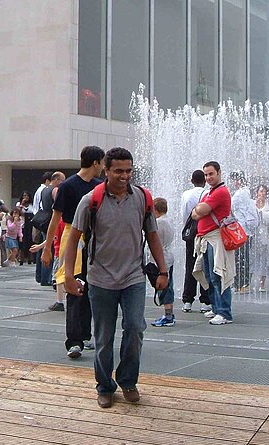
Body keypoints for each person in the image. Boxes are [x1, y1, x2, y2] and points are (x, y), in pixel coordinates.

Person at [64, 147, 168, 408]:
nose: (124, 176)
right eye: (118, 171)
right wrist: (68, 275)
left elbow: (153, 236)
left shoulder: (142, 198)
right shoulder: (91, 200)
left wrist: (163, 270)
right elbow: (73, 238)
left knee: (135, 328)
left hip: (133, 276)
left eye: (128, 171)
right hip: (100, 279)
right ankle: (105, 386)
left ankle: (128, 380)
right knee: (104, 337)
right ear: (106, 170)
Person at [37, 146, 104, 351]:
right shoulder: (68, 186)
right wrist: (47, 247)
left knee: (92, 287)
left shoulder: (100, 186)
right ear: (95, 163)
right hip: (72, 237)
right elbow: (55, 218)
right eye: (102, 163)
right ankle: (74, 340)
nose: (103, 167)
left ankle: (85, 335)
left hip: (94, 239)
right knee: (74, 286)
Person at [191, 161, 235, 325]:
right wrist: (199, 210)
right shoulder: (210, 192)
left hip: (216, 238)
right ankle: (217, 308)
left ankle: (224, 312)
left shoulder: (220, 192)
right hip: (207, 238)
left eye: (211, 174)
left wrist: (199, 209)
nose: (208, 177)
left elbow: (198, 212)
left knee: (218, 275)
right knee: (210, 275)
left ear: (219, 173)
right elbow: (196, 213)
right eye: (206, 174)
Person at [179, 170, 210, 313]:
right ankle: (205, 300)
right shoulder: (207, 193)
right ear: (204, 180)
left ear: (192, 181)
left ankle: (187, 300)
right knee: (204, 265)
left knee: (190, 264)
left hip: (191, 233)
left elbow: (184, 215)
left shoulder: (186, 194)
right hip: (204, 232)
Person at [229, 171, 259, 294]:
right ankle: (241, 283)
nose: (234, 183)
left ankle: (242, 283)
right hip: (244, 229)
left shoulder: (241, 193)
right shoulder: (245, 192)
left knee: (241, 257)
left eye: (235, 180)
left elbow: (230, 206)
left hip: (241, 230)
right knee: (242, 256)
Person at [150, 197, 176, 327]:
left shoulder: (159, 223)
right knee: (168, 285)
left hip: (162, 259)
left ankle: (168, 315)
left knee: (164, 287)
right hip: (168, 256)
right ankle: (169, 314)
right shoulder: (169, 220)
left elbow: (155, 241)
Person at [251, 184, 269, 292]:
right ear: (256, 193)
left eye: (264, 191)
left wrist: (261, 213)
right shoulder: (252, 204)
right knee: (252, 258)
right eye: (260, 191)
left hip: (265, 235)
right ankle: (249, 282)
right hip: (253, 234)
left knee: (264, 260)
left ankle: (262, 283)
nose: (262, 193)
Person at [33, 171, 52, 283]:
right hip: (44, 221)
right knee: (46, 248)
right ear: (48, 181)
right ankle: (45, 278)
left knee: (42, 248)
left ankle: (40, 276)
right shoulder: (45, 190)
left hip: (39, 221)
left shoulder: (39, 190)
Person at [17, 192, 35, 264]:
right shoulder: (19, 204)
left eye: (27, 195)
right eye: (24, 195)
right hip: (22, 224)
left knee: (30, 240)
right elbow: (18, 213)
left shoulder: (32, 205)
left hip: (30, 223)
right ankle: (21, 258)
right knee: (22, 240)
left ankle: (30, 258)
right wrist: (22, 204)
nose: (25, 197)